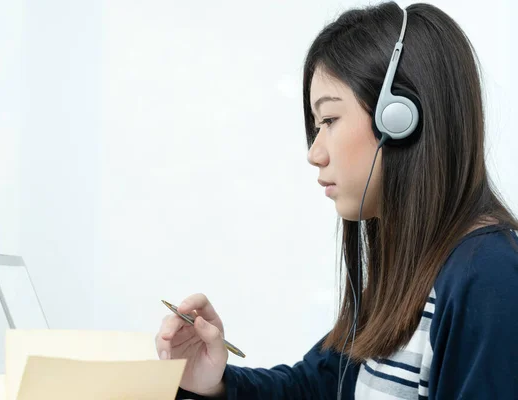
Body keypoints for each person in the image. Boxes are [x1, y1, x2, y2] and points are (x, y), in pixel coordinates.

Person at [155, 2, 518, 399]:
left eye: (328, 120)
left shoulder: (488, 277)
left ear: (399, 119)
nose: (315, 152)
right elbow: (316, 387)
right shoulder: (410, 274)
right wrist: (214, 383)